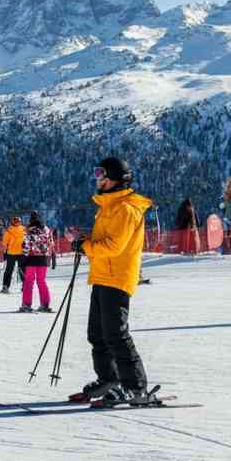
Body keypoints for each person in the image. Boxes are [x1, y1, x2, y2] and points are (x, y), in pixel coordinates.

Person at [70, 157, 155, 407]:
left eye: (101, 174)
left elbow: (114, 247)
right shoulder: (109, 206)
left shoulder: (126, 209)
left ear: (115, 178)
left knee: (116, 335)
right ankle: (110, 379)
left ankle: (136, 388)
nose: (98, 178)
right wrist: (83, 239)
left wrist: (83, 246)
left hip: (117, 276)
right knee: (97, 334)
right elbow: (105, 239)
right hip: (102, 274)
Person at [19, 211, 54, 313]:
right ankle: (45, 304)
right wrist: (50, 255)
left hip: (31, 258)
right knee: (41, 281)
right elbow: (51, 243)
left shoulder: (29, 230)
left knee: (29, 281)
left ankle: (26, 304)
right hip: (43, 258)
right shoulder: (46, 230)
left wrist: (23, 257)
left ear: (31, 219)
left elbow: (26, 245)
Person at [0, 216, 26, 294]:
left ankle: (5, 286)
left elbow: (5, 243)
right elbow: (27, 239)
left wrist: (4, 252)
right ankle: (26, 286)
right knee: (23, 270)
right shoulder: (23, 229)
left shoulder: (8, 230)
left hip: (11, 253)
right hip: (21, 253)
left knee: (9, 270)